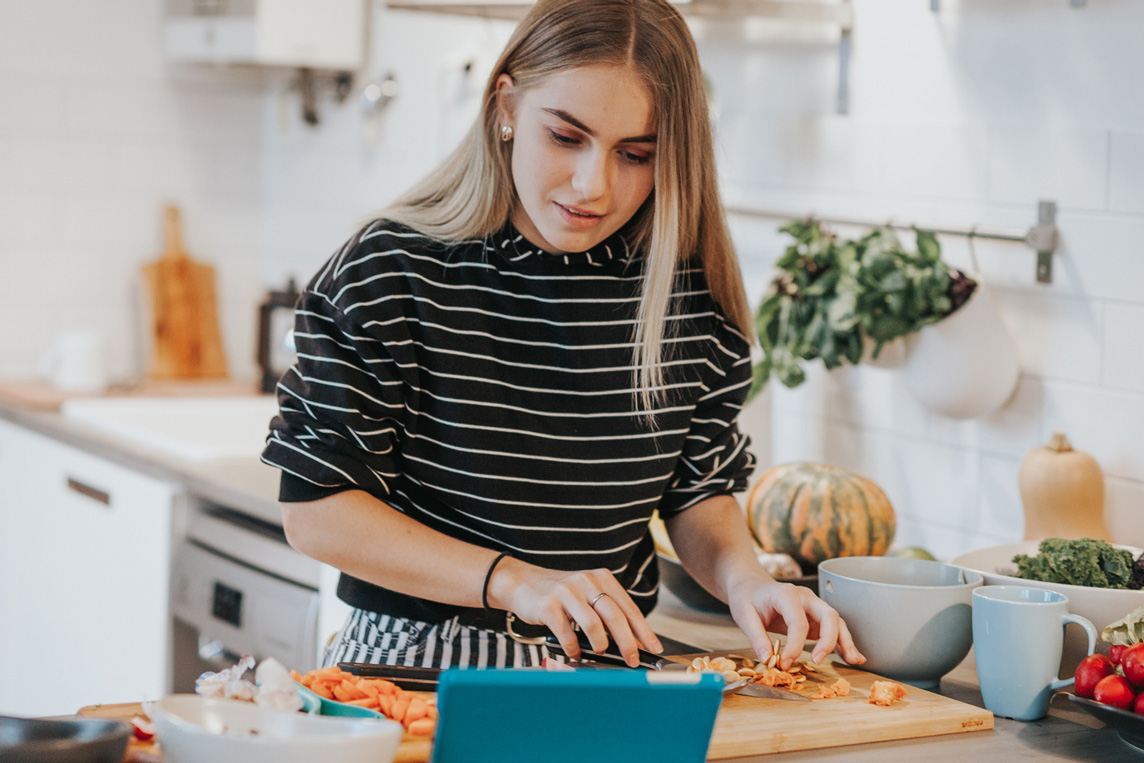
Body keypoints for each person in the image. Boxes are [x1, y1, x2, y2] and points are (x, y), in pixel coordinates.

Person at [262, 0, 865, 672]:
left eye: (636, 154)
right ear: (507, 107)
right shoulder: (392, 270)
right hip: (412, 665)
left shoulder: (685, 293)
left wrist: (745, 579)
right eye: (567, 137)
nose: (594, 185)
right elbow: (315, 510)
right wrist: (517, 581)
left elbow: (697, 491)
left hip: (610, 669)